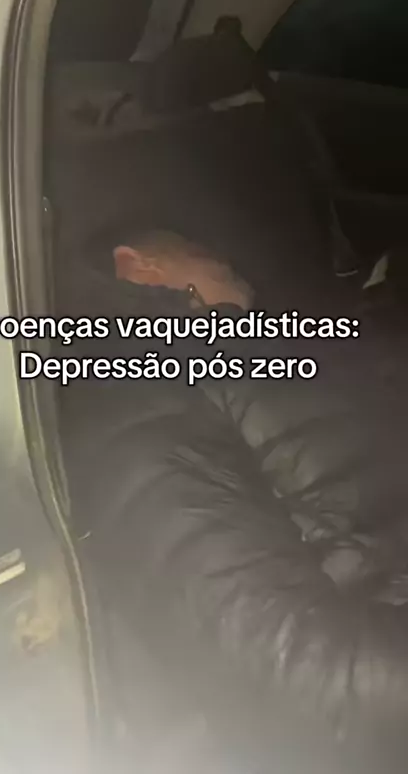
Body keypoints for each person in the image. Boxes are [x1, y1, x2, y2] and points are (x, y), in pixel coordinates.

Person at [59, 229, 408, 774]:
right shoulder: (137, 395)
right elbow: (306, 686)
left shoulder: (270, 354)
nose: (239, 274)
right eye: (216, 263)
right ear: (139, 264)